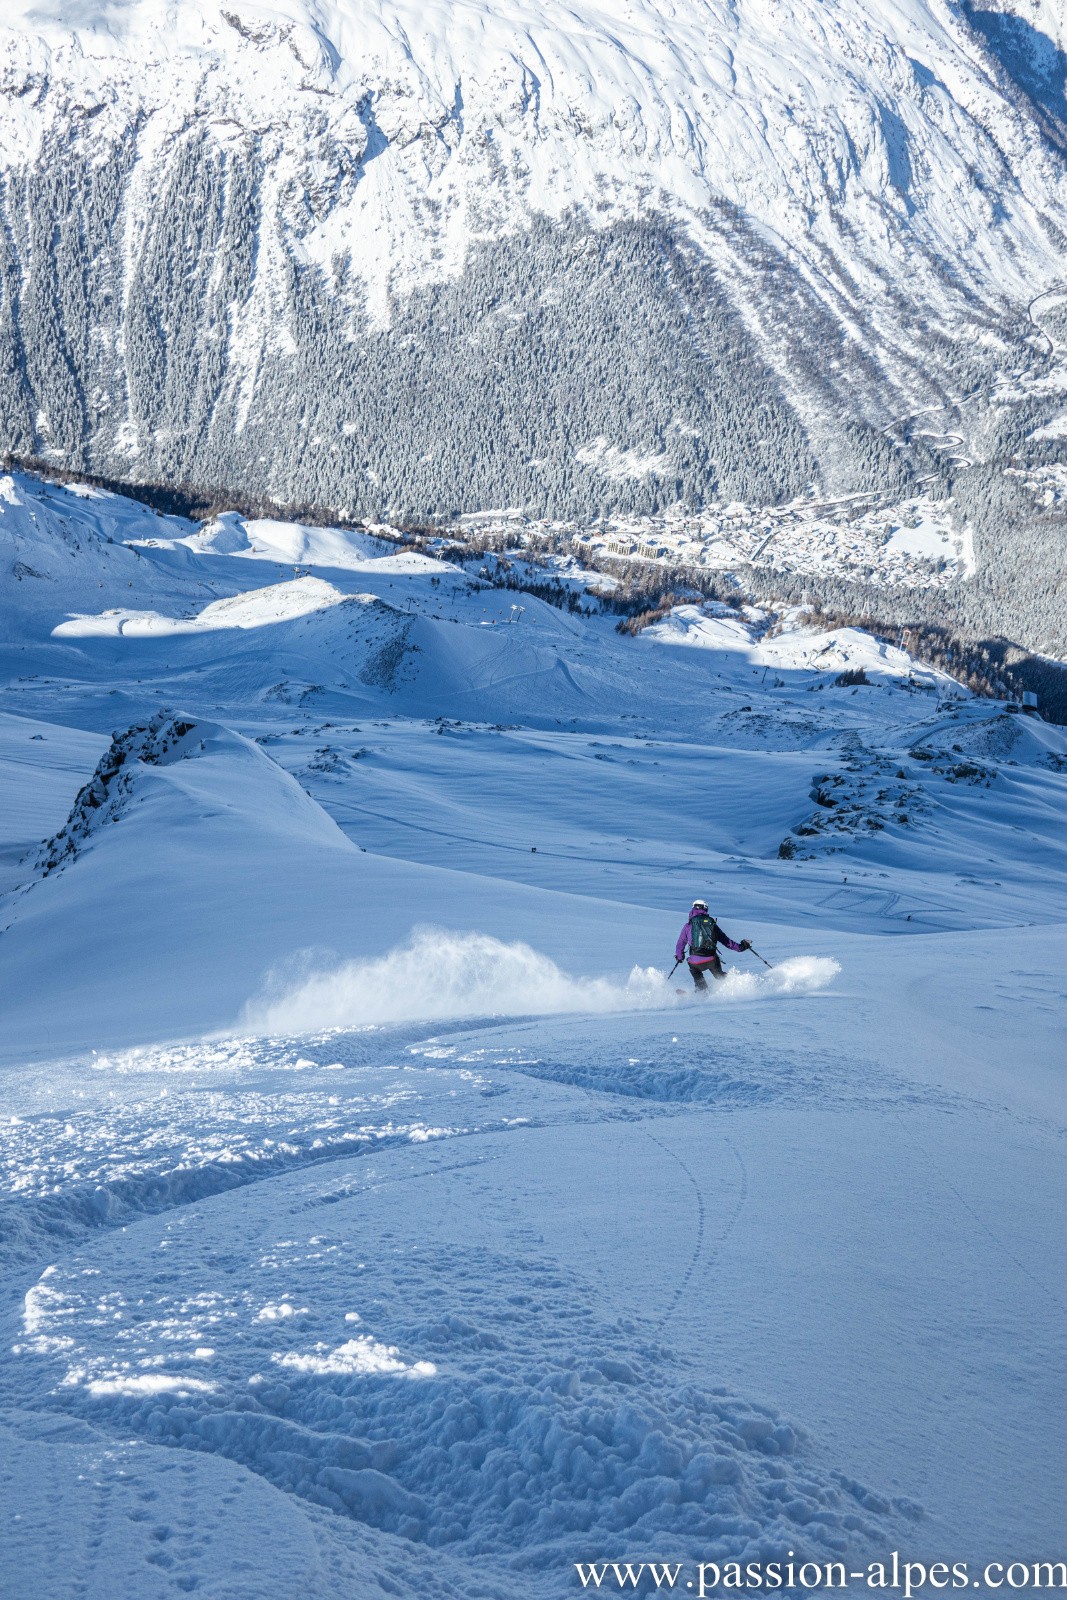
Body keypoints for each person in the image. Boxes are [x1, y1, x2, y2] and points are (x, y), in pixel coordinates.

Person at [675, 899, 751, 991]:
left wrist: (680, 957)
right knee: (720, 976)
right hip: (711, 959)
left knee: (698, 979)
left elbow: (680, 943)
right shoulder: (712, 924)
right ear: (706, 909)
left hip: (695, 962)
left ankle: (701, 992)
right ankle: (738, 984)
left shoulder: (688, 926)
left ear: (693, 908)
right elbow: (726, 941)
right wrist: (742, 947)